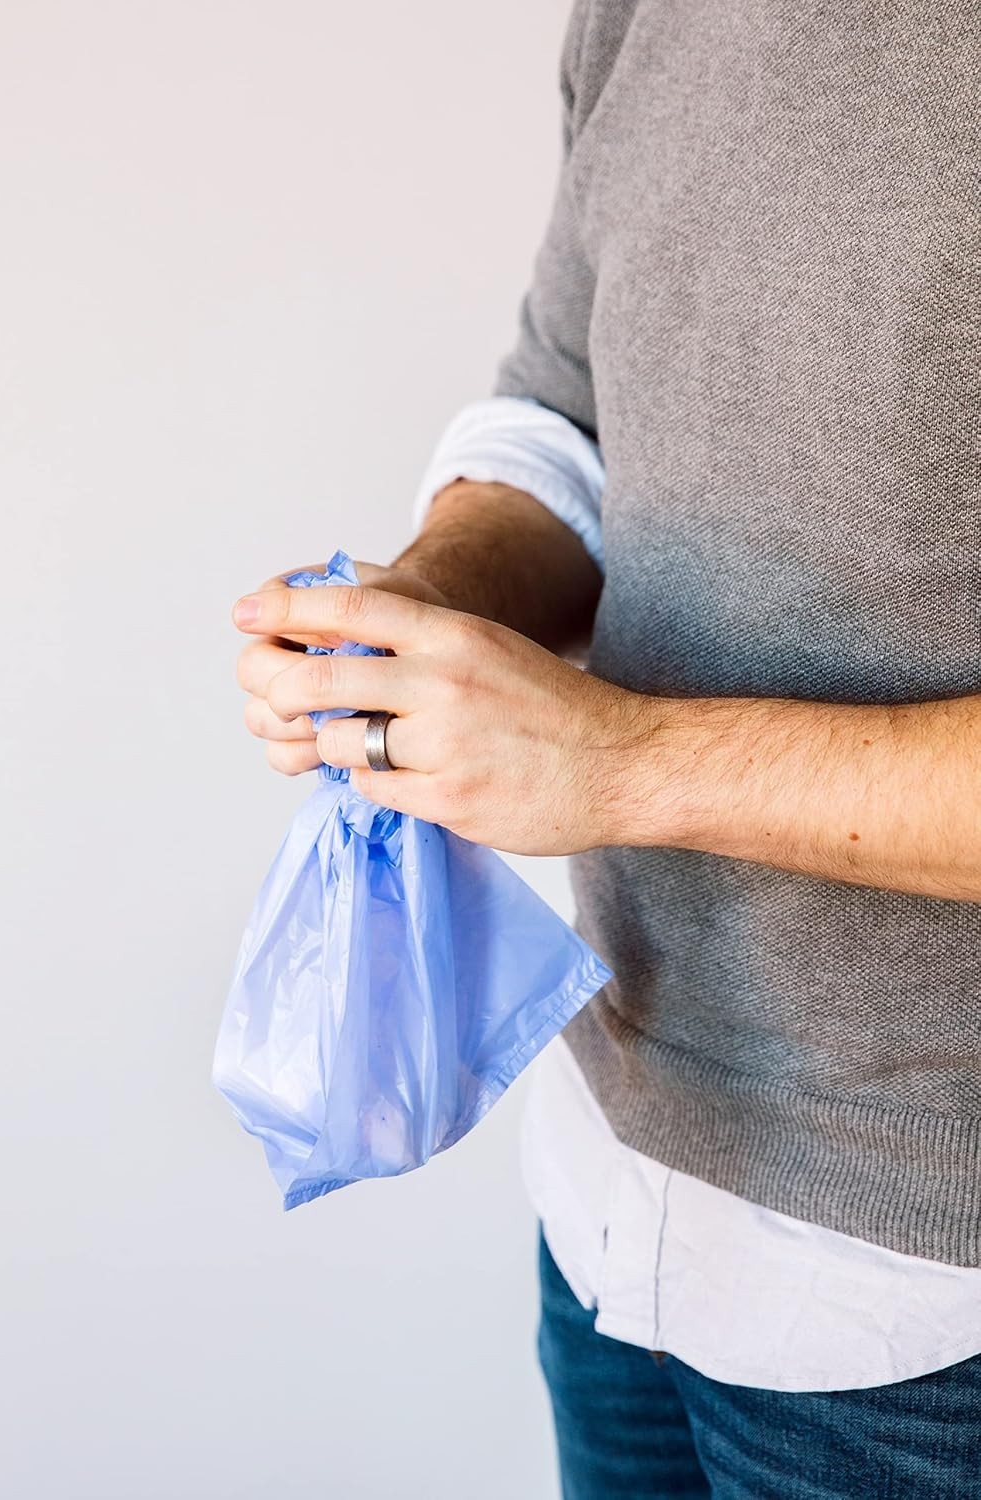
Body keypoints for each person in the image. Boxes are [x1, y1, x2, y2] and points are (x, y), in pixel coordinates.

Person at [232, 1, 980, 1494]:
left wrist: (623, 764)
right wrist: (426, 606)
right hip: (612, 1190)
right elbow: (564, 411)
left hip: (923, 1305)